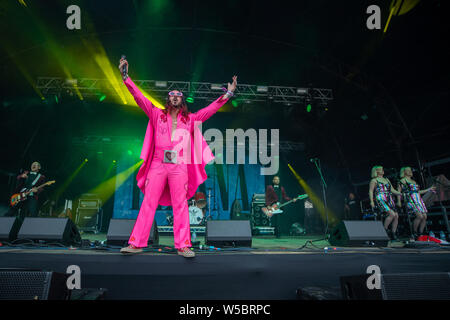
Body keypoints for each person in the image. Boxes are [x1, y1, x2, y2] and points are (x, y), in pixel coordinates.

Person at [118, 57, 237, 257]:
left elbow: (210, 109)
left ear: (182, 100)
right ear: (168, 99)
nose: (174, 97)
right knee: (149, 202)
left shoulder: (191, 119)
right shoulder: (156, 114)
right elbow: (139, 97)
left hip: (178, 166)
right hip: (158, 163)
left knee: (180, 205)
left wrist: (229, 94)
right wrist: (125, 77)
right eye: (171, 95)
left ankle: (183, 245)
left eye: (178, 95)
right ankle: (136, 243)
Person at [397, 167, 436, 239]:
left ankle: (420, 233)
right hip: (410, 200)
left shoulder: (414, 181)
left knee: (424, 217)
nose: (411, 171)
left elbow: (418, 192)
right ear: (405, 172)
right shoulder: (402, 180)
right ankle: (414, 232)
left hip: (418, 200)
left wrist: (429, 189)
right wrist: (399, 201)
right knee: (419, 216)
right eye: (409, 170)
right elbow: (399, 192)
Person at [368, 165, 402, 240]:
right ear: (376, 171)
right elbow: (371, 191)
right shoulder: (374, 180)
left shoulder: (386, 179)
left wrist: (400, 193)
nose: (383, 170)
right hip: (381, 198)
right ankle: (385, 230)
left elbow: (392, 190)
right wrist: (371, 202)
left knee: (396, 215)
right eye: (381, 169)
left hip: (389, 198)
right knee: (392, 214)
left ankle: (393, 233)